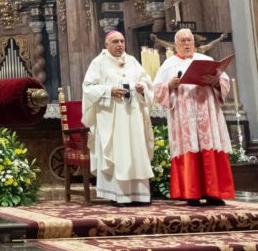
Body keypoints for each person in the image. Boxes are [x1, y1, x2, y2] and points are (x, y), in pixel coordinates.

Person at [153, 27, 235, 205]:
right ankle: (192, 193)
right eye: (182, 41)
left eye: (189, 40)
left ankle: (214, 193)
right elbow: (157, 90)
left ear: (194, 42)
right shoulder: (168, 64)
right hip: (185, 115)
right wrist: (170, 85)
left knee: (209, 146)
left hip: (207, 112)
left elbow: (224, 80)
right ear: (176, 45)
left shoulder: (205, 59)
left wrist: (215, 81)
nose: (187, 44)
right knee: (190, 148)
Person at [82, 30, 155, 206]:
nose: (120, 45)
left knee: (136, 152)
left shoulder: (132, 61)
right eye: (115, 41)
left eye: (122, 41)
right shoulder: (98, 63)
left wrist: (142, 88)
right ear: (106, 45)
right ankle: (118, 195)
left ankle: (140, 195)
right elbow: (88, 88)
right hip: (111, 117)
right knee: (117, 153)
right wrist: (109, 90)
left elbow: (147, 83)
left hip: (133, 116)